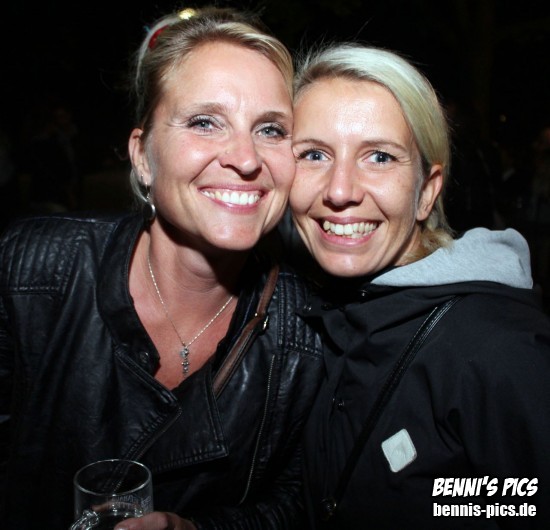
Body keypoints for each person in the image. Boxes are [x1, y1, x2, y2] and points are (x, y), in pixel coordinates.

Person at [0, 7, 324, 530]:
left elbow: (298, 503)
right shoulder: (32, 270)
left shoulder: (310, 332)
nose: (245, 158)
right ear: (143, 156)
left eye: (270, 129)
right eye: (204, 122)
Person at [289, 43, 550, 528]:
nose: (340, 190)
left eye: (380, 157)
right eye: (314, 154)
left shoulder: (499, 350)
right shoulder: (322, 312)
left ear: (427, 192)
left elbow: (526, 502)